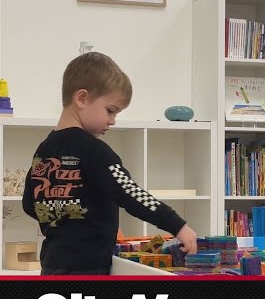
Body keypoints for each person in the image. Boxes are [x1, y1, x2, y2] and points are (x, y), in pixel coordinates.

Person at [22, 51, 198, 275]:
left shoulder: (45, 149)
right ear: (82, 98)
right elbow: (132, 194)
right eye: (110, 111)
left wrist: (63, 220)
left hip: (52, 265)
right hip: (89, 268)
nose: (113, 121)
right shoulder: (96, 151)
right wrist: (178, 226)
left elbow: (30, 203)